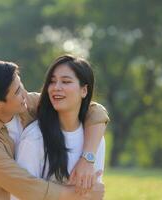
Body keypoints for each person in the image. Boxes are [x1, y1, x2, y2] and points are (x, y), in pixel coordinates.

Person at [0, 60, 109, 200]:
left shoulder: (25, 102)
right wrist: (82, 195)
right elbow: (27, 186)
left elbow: (93, 110)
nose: (25, 93)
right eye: (18, 91)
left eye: (21, 85)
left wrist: (87, 159)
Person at [12, 55, 107, 200]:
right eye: (52, 81)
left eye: (66, 81)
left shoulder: (95, 140)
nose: (56, 87)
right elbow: (19, 195)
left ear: (84, 90)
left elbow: (94, 193)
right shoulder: (35, 137)